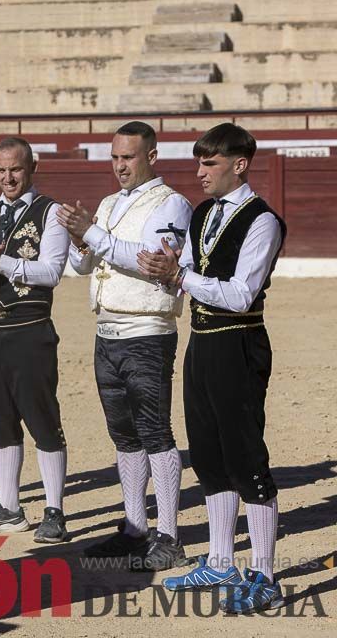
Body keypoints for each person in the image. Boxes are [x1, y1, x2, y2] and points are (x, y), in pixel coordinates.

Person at [137, 124, 286, 614]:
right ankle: (222, 560)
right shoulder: (201, 216)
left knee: (245, 455)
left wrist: (181, 275)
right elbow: (193, 280)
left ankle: (264, 573)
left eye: (210, 163)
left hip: (238, 344)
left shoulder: (263, 220)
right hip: (201, 343)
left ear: (239, 164)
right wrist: (171, 275)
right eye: (199, 162)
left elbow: (242, 294)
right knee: (208, 452)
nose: (198, 172)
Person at [59, 121, 192, 570]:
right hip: (108, 331)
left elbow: (150, 262)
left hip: (148, 333)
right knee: (124, 435)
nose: (119, 166)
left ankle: (169, 535)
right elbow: (83, 265)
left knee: (155, 432)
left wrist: (92, 235)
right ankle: (136, 528)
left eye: (128, 157)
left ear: (151, 156)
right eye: (115, 157)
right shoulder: (109, 203)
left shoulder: (171, 202)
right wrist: (81, 237)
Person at [0, 137, 71, 543]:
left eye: (16, 170)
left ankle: (55, 510)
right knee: (0, 420)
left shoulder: (51, 212)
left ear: (32, 167)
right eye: (1, 170)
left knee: (42, 419)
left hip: (29, 328)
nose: (8, 177)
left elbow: (51, 271)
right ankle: (9, 507)